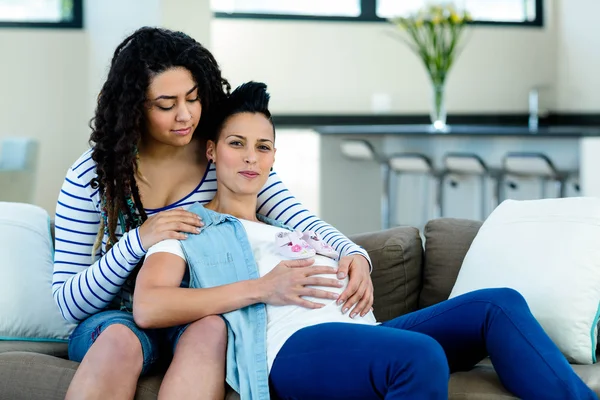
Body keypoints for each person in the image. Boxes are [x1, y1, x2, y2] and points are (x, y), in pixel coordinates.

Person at [136, 81, 598, 400]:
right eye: (237, 144)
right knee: (419, 356)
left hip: (367, 337)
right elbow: (150, 306)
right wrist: (263, 288)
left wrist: (353, 257)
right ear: (212, 150)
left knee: (498, 304)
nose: (251, 158)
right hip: (290, 350)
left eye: (263, 146)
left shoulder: (288, 228)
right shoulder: (191, 225)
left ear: (274, 156)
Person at [52, 27, 373, 400]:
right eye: (166, 105)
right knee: (120, 339)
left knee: (212, 331)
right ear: (134, 106)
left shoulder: (222, 154)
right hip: (119, 318)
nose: (185, 115)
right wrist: (139, 241)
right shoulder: (93, 175)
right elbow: (66, 302)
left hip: (205, 308)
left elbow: (299, 217)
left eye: (192, 98)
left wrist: (353, 253)